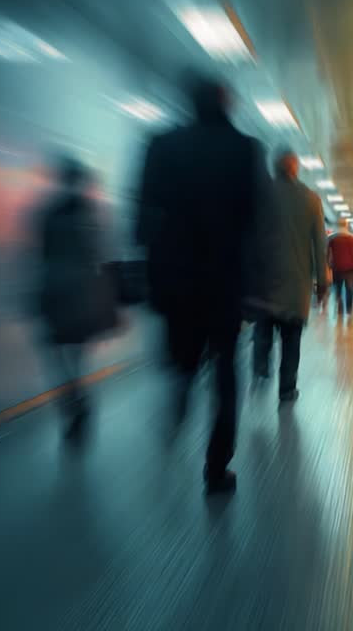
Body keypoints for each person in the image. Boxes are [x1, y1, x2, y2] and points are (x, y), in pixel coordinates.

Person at [136, 73, 265, 494]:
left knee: (184, 361)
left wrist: (153, 273)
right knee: (226, 372)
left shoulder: (161, 145)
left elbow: (141, 219)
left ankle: (178, 400)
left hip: (176, 281)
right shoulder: (245, 149)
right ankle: (217, 466)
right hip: (225, 281)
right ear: (226, 103)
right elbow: (255, 223)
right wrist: (255, 286)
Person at [31, 157, 119, 443]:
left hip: (56, 291)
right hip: (80, 295)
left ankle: (74, 402)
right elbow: (98, 255)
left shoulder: (49, 214)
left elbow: (41, 255)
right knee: (76, 354)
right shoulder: (89, 214)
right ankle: (79, 399)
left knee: (57, 355)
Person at [246, 149, 329, 402]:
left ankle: (260, 368)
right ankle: (287, 388)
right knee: (291, 340)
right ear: (295, 168)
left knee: (263, 327)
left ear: (275, 167)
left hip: (265, 281)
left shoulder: (260, 194)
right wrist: (322, 283)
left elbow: (248, 237)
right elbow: (320, 244)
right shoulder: (311, 199)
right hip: (296, 284)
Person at [326, 218, 353, 320]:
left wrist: (329, 265)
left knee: (338, 288)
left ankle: (339, 303)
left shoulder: (332, 238)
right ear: (346, 225)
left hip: (337, 269)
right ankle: (349, 310)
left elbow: (328, 255)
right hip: (350, 269)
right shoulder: (352, 237)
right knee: (349, 290)